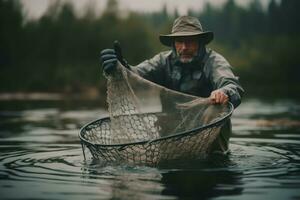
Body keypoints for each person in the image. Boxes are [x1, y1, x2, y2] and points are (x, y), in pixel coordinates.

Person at [100, 16, 244, 153]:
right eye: (179, 41)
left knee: (216, 109)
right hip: (173, 134)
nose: (184, 47)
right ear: (173, 44)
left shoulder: (214, 61)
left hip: (211, 137)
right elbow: (135, 74)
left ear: (200, 42)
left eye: (190, 41)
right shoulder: (163, 61)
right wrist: (120, 67)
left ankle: (214, 161)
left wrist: (223, 92)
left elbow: (231, 85)